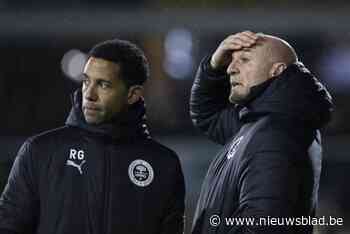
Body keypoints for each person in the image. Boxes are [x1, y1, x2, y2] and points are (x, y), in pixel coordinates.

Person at [0, 39, 185, 234]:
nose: (89, 94)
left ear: (132, 95)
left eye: (103, 85)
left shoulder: (164, 164)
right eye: (86, 81)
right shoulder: (40, 151)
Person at [190, 31, 333, 234]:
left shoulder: (277, 133)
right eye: (231, 61)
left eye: (245, 60)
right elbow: (207, 115)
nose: (230, 68)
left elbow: (262, 227)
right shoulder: (259, 120)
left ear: (276, 70)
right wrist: (213, 64)